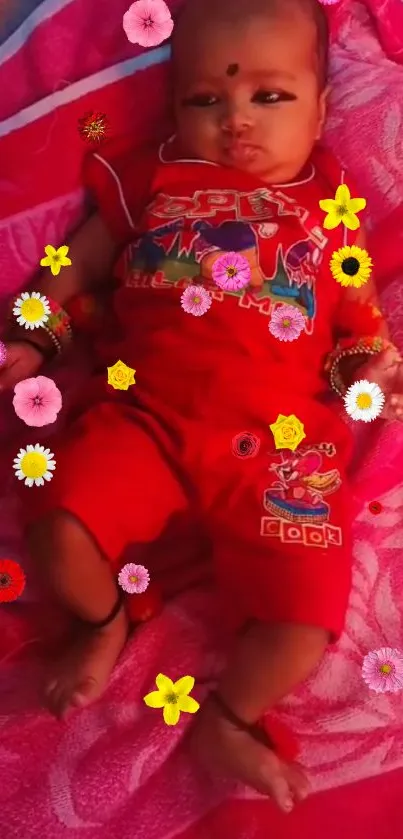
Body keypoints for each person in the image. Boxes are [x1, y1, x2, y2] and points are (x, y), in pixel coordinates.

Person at [1, 0, 403, 813]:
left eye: (269, 96)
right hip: (147, 420)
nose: (235, 122)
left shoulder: (328, 211)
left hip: (281, 450)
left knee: (305, 618)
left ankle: (228, 714)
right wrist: (31, 336)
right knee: (60, 520)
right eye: (204, 100)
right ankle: (103, 619)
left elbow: (357, 325)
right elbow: (75, 264)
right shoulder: (151, 177)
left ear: (322, 110)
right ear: (174, 104)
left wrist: (376, 372)